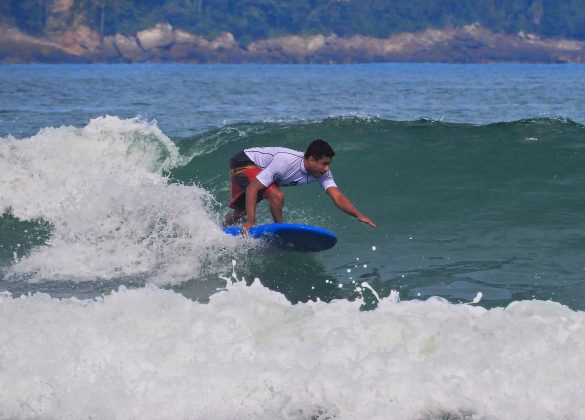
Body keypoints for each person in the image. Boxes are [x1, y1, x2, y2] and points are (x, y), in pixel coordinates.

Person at [224, 139, 376, 231]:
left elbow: (337, 196)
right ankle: (280, 229)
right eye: (324, 164)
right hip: (244, 162)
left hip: (261, 169)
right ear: (311, 159)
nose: (327, 168)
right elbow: (253, 188)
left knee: (241, 213)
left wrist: (358, 214)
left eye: (328, 164)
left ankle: (221, 228)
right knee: (276, 195)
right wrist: (252, 222)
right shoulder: (286, 161)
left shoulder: (321, 173)